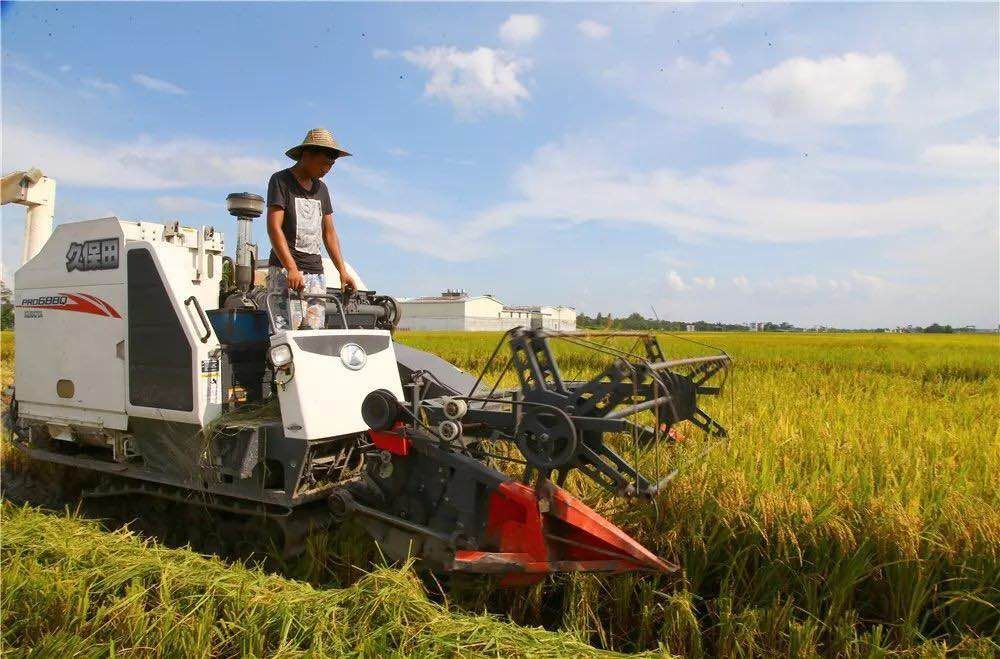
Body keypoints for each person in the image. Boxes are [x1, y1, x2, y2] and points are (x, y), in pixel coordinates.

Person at [265, 128, 358, 330]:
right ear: (306, 156)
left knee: (313, 336)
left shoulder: (322, 189)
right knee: (286, 336)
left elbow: (329, 233)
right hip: (286, 272)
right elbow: (274, 228)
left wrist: (342, 271)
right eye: (323, 162)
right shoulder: (281, 181)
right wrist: (291, 268)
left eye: (331, 164)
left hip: (316, 273)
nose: (327, 169)